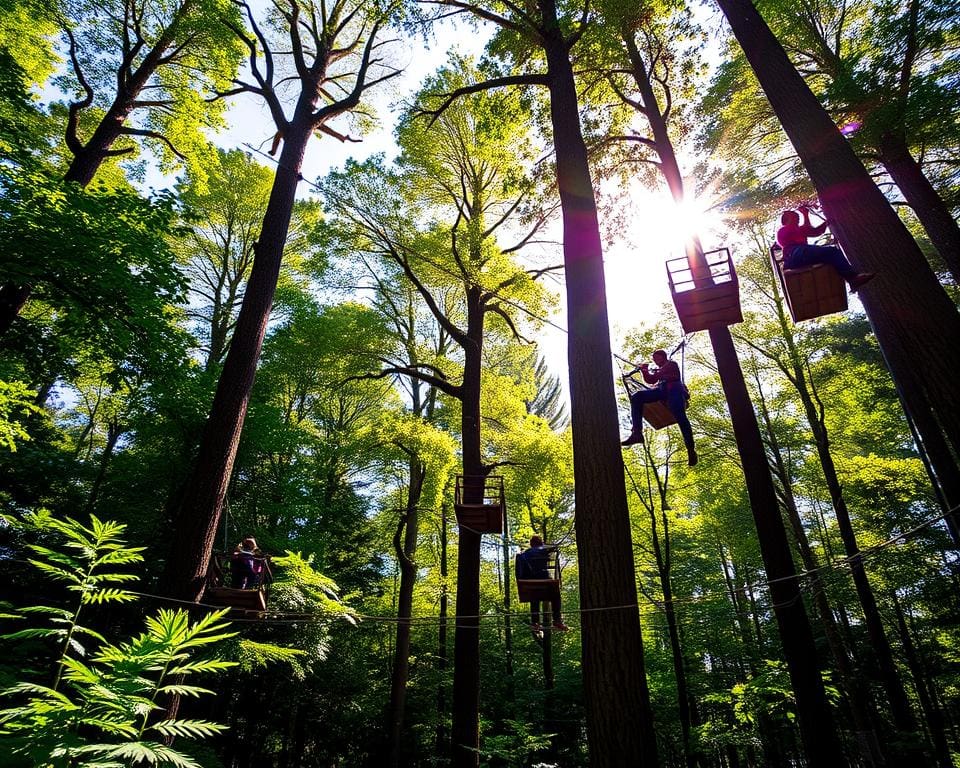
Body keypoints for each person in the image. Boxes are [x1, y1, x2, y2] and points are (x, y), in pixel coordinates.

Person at [621, 349, 698, 467]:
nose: (655, 361)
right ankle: (637, 433)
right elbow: (651, 380)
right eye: (654, 359)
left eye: (657, 358)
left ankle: (690, 449)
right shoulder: (660, 370)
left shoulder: (671, 364)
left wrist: (647, 369)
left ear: (663, 356)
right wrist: (644, 370)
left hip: (674, 390)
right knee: (637, 397)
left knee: (680, 417)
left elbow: (657, 375)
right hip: (662, 391)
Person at [776, 206, 874, 291]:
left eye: (797, 217)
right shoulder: (782, 231)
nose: (797, 218)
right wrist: (805, 215)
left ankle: (852, 278)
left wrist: (827, 222)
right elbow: (805, 230)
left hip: (804, 255)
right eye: (794, 216)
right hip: (794, 255)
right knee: (830, 251)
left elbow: (815, 232)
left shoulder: (797, 228)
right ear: (786, 219)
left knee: (833, 252)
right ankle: (852, 278)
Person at [516, 536, 568, 632]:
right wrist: (552, 547)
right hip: (545, 580)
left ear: (531, 544)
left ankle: (535, 622)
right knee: (556, 596)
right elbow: (551, 551)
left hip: (528, 582)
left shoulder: (524, 554)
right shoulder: (542, 549)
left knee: (534, 596)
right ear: (541, 543)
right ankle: (557, 620)